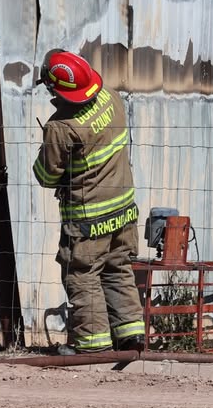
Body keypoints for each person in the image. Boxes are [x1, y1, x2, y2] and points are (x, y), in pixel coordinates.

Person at [33, 49, 146, 356]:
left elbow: (45, 175)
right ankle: (132, 336)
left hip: (87, 219)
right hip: (124, 211)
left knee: (81, 275)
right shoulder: (111, 98)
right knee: (118, 268)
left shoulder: (61, 127)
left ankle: (91, 346)